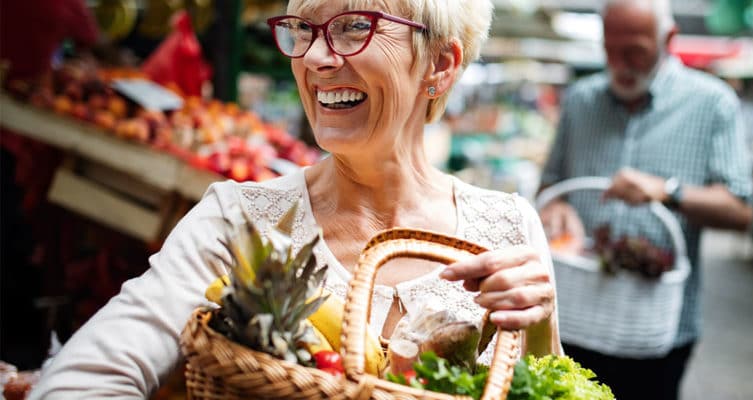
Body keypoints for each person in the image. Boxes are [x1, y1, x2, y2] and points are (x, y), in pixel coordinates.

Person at [29, 0, 562, 398]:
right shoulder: (238, 221)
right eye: (303, 31)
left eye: (355, 27)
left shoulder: (509, 229)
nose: (316, 57)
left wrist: (540, 333)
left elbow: (551, 385)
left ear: (441, 64)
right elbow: (84, 380)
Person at [539, 0, 753, 399]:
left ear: (668, 39)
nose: (620, 62)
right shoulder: (581, 101)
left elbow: (741, 211)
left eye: (634, 50)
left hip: (659, 330)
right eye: (610, 49)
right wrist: (556, 209)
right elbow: (550, 186)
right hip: (575, 317)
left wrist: (669, 192)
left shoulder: (713, 103)